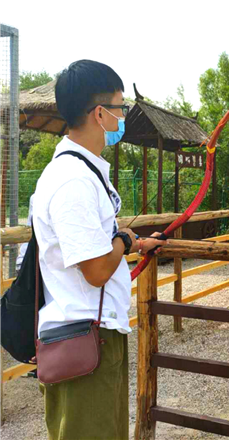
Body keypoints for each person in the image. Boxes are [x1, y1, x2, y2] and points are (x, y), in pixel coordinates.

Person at [32, 60, 165, 440]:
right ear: (100, 113)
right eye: (121, 108)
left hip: (95, 332)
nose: (123, 117)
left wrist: (129, 241)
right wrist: (123, 241)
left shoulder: (82, 172)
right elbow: (95, 271)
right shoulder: (72, 181)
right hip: (84, 338)